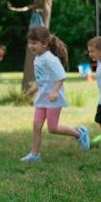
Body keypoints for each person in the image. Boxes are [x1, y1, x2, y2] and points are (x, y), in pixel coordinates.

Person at [20, 26, 90, 163]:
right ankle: (34, 155)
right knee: (36, 126)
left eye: (34, 43)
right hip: (42, 98)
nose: (31, 46)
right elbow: (42, 78)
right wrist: (34, 89)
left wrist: (54, 91)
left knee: (53, 128)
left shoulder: (50, 59)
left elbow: (61, 76)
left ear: (44, 44)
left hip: (53, 99)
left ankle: (79, 133)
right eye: (30, 42)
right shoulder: (38, 58)